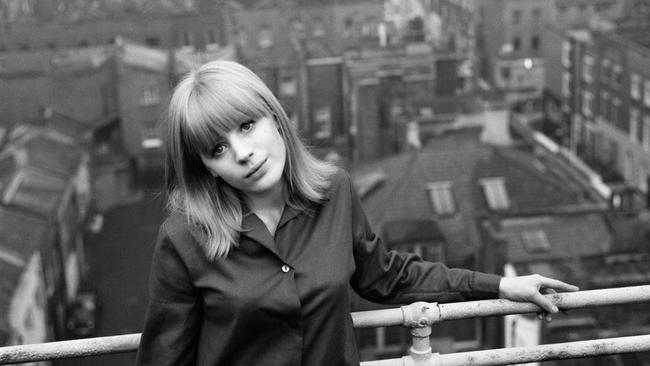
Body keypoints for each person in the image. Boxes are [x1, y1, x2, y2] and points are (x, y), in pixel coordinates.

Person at [135, 60, 578, 366]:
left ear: (275, 117)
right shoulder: (184, 239)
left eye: (247, 125)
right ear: (206, 168)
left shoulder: (334, 192)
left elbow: (387, 276)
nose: (243, 153)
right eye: (217, 148)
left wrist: (501, 285)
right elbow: (165, 356)